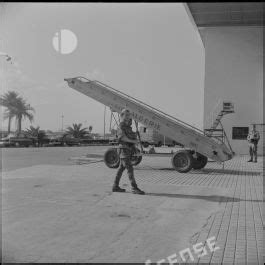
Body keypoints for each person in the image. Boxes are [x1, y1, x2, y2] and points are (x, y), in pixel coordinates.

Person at [112, 108, 145, 195]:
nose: (128, 116)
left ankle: (115, 186)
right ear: (122, 115)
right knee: (130, 169)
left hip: (128, 150)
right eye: (126, 115)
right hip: (123, 150)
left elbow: (131, 138)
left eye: (129, 115)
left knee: (121, 168)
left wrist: (135, 146)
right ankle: (134, 188)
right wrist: (134, 141)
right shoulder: (121, 126)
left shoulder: (128, 127)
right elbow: (122, 138)